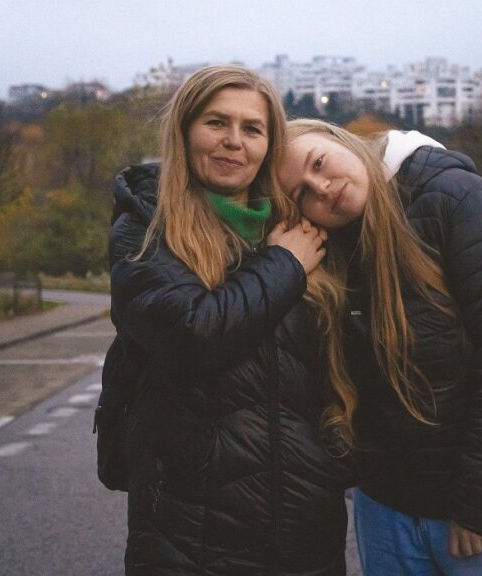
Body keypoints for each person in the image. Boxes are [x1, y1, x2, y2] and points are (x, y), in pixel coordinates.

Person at [277, 119, 482, 576]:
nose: (323, 188)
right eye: (302, 195)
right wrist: (279, 266)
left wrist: (478, 504)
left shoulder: (453, 197)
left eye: (318, 163)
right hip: (387, 506)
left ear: (339, 139)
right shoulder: (326, 253)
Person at [106, 69, 350, 576]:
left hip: (303, 525)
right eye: (216, 122)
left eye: (252, 128)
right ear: (184, 130)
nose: (234, 141)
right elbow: (191, 334)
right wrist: (284, 265)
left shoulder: (299, 224)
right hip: (189, 528)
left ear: (270, 144)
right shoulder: (147, 226)